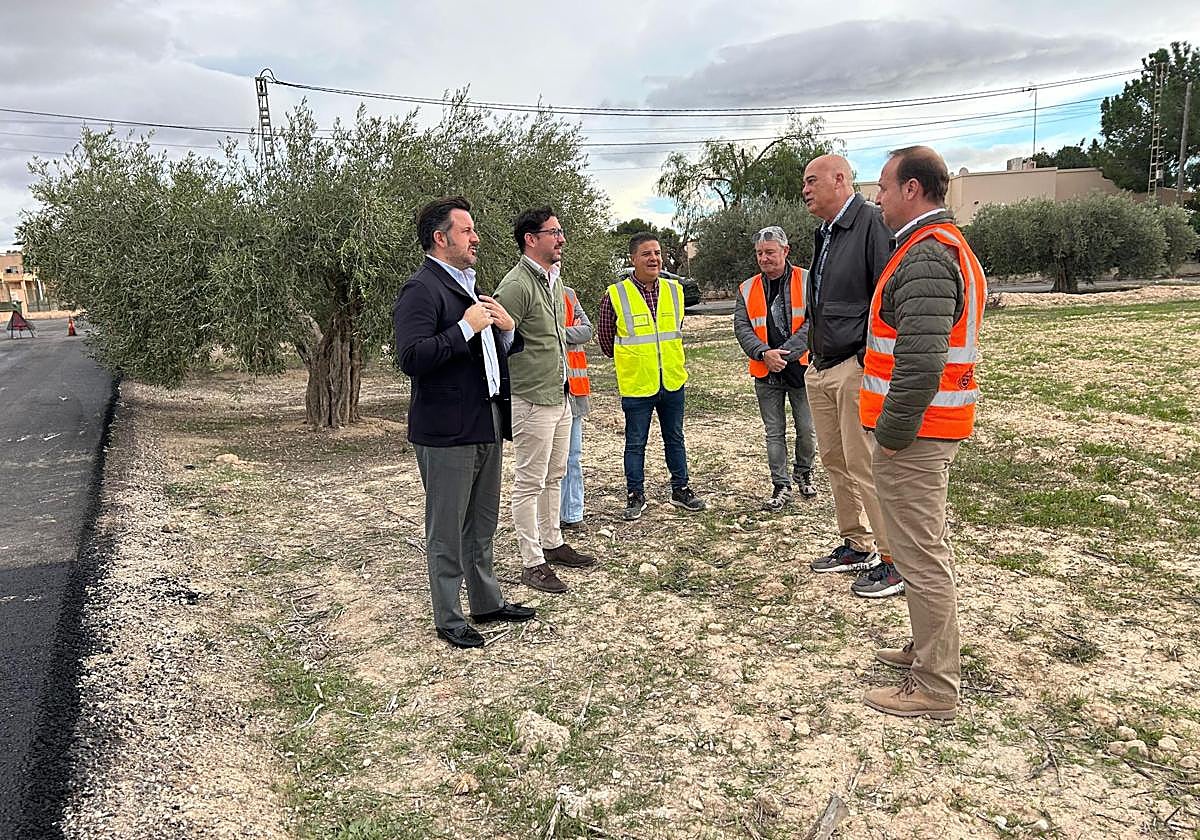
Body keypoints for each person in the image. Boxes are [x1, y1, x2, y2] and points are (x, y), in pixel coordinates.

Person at [860, 146, 986, 720]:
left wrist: (889, 435)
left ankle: (936, 686)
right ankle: (926, 650)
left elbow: (919, 362)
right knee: (918, 551)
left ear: (912, 190)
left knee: (921, 555)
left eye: (883, 187)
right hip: (926, 429)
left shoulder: (927, 256)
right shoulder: (931, 249)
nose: (878, 197)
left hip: (915, 434)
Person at [393, 196, 534, 648]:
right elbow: (412, 357)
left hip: (485, 419)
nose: (476, 238)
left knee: (482, 521)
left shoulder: (470, 286)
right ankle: (449, 617)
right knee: (448, 527)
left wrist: (508, 330)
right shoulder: (422, 288)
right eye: (467, 230)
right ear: (441, 238)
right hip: (446, 429)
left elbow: (486, 356)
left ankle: (487, 602)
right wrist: (467, 328)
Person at [801, 153, 903, 599]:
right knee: (835, 462)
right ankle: (856, 544)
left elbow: (887, 293)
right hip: (821, 365)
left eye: (811, 181)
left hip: (853, 367)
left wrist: (865, 357)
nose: (805, 190)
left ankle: (893, 560)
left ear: (840, 179)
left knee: (864, 464)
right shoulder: (825, 232)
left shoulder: (870, 224)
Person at [494, 207, 597, 595]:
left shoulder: (554, 281)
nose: (562, 239)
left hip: (561, 395)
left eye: (561, 231)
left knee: (555, 475)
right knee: (529, 481)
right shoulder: (517, 285)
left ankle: (552, 542)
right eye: (554, 232)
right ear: (531, 239)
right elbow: (500, 342)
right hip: (532, 398)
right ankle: (531, 560)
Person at [597, 233, 706, 520]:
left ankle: (681, 489)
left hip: (672, 379)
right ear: (633, 259)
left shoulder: (675, 290)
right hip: (637, 384)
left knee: (675, 438)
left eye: (657, 253)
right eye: (646, 254)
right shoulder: (615, 294)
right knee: (635, 443)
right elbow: (606, 342)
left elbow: (674, 329)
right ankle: (635, 495)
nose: (654, 258)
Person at [733, 225, 818, 511]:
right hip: (764, 371)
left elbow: (814, 321)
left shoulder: (808, 280)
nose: (764, 258)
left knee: (807, 429)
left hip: (802, 369)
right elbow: (742, 327)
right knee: (774, 432)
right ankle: (780, 485)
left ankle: (803, 471)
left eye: (770, 252)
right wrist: (764, 353)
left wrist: (785, 353)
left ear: (785, 251)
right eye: (759, 253)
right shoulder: (747, 288)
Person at [559, 284, 592, 529]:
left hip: (574, 391)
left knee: (573, 457)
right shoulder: (525, 289)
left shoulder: (569, 293)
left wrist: (558, 333)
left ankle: (573, 513)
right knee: (549, 461)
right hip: (545, 393)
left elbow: (587, 330)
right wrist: (568, 331)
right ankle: (549, 517)